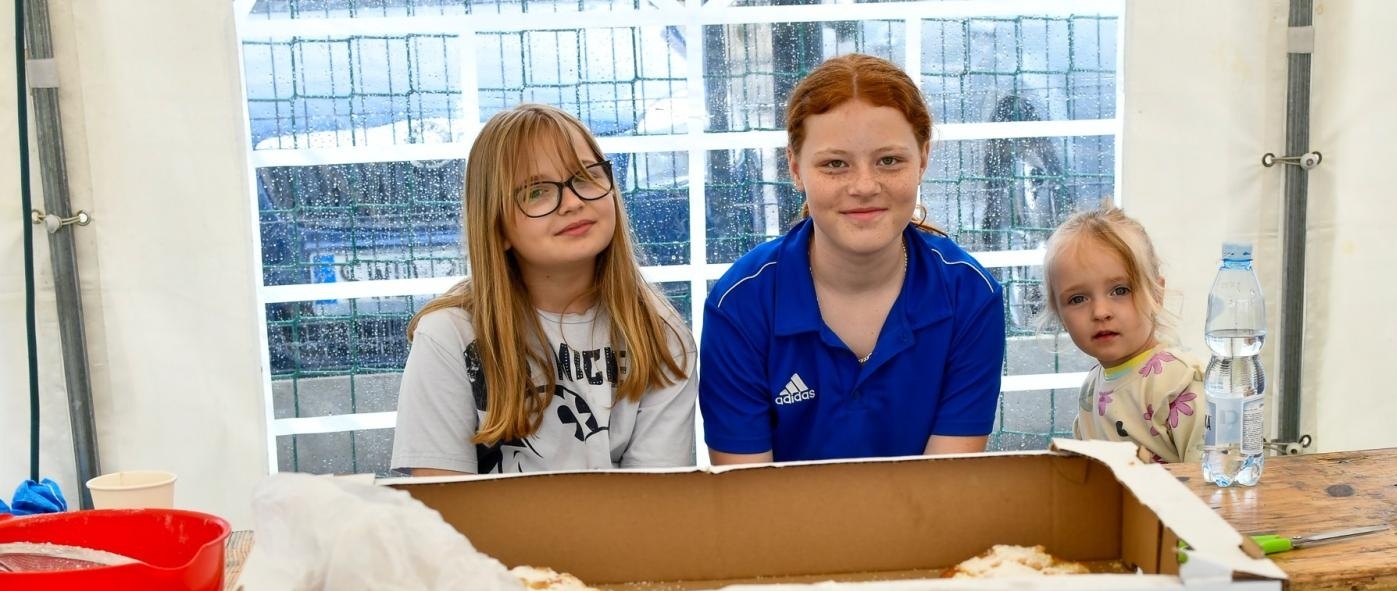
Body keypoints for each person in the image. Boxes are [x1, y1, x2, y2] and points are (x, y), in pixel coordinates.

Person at [699, 54, 1005, 464]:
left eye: (889, 160)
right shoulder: (740, 306)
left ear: (924, 159)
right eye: (835, 164)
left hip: (923, 526)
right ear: (794, 167)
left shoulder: (971, 297)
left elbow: (944, 491)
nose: (864, 185)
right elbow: (747, 499)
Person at [390, 104, 696, 476]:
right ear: (496, 226)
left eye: (585, 177)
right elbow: (441, 506)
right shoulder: (449, 335)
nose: (572, 202)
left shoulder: (661, 334)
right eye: (537, 192)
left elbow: (655, 505)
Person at [1045, 203, 1203, 465]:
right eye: (1078, 298)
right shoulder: (1091, 387)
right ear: (1059, 314)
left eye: (1120, 290)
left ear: (1157, 293)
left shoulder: (1179, 380)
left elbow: (1214, 482)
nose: (1100, 311)